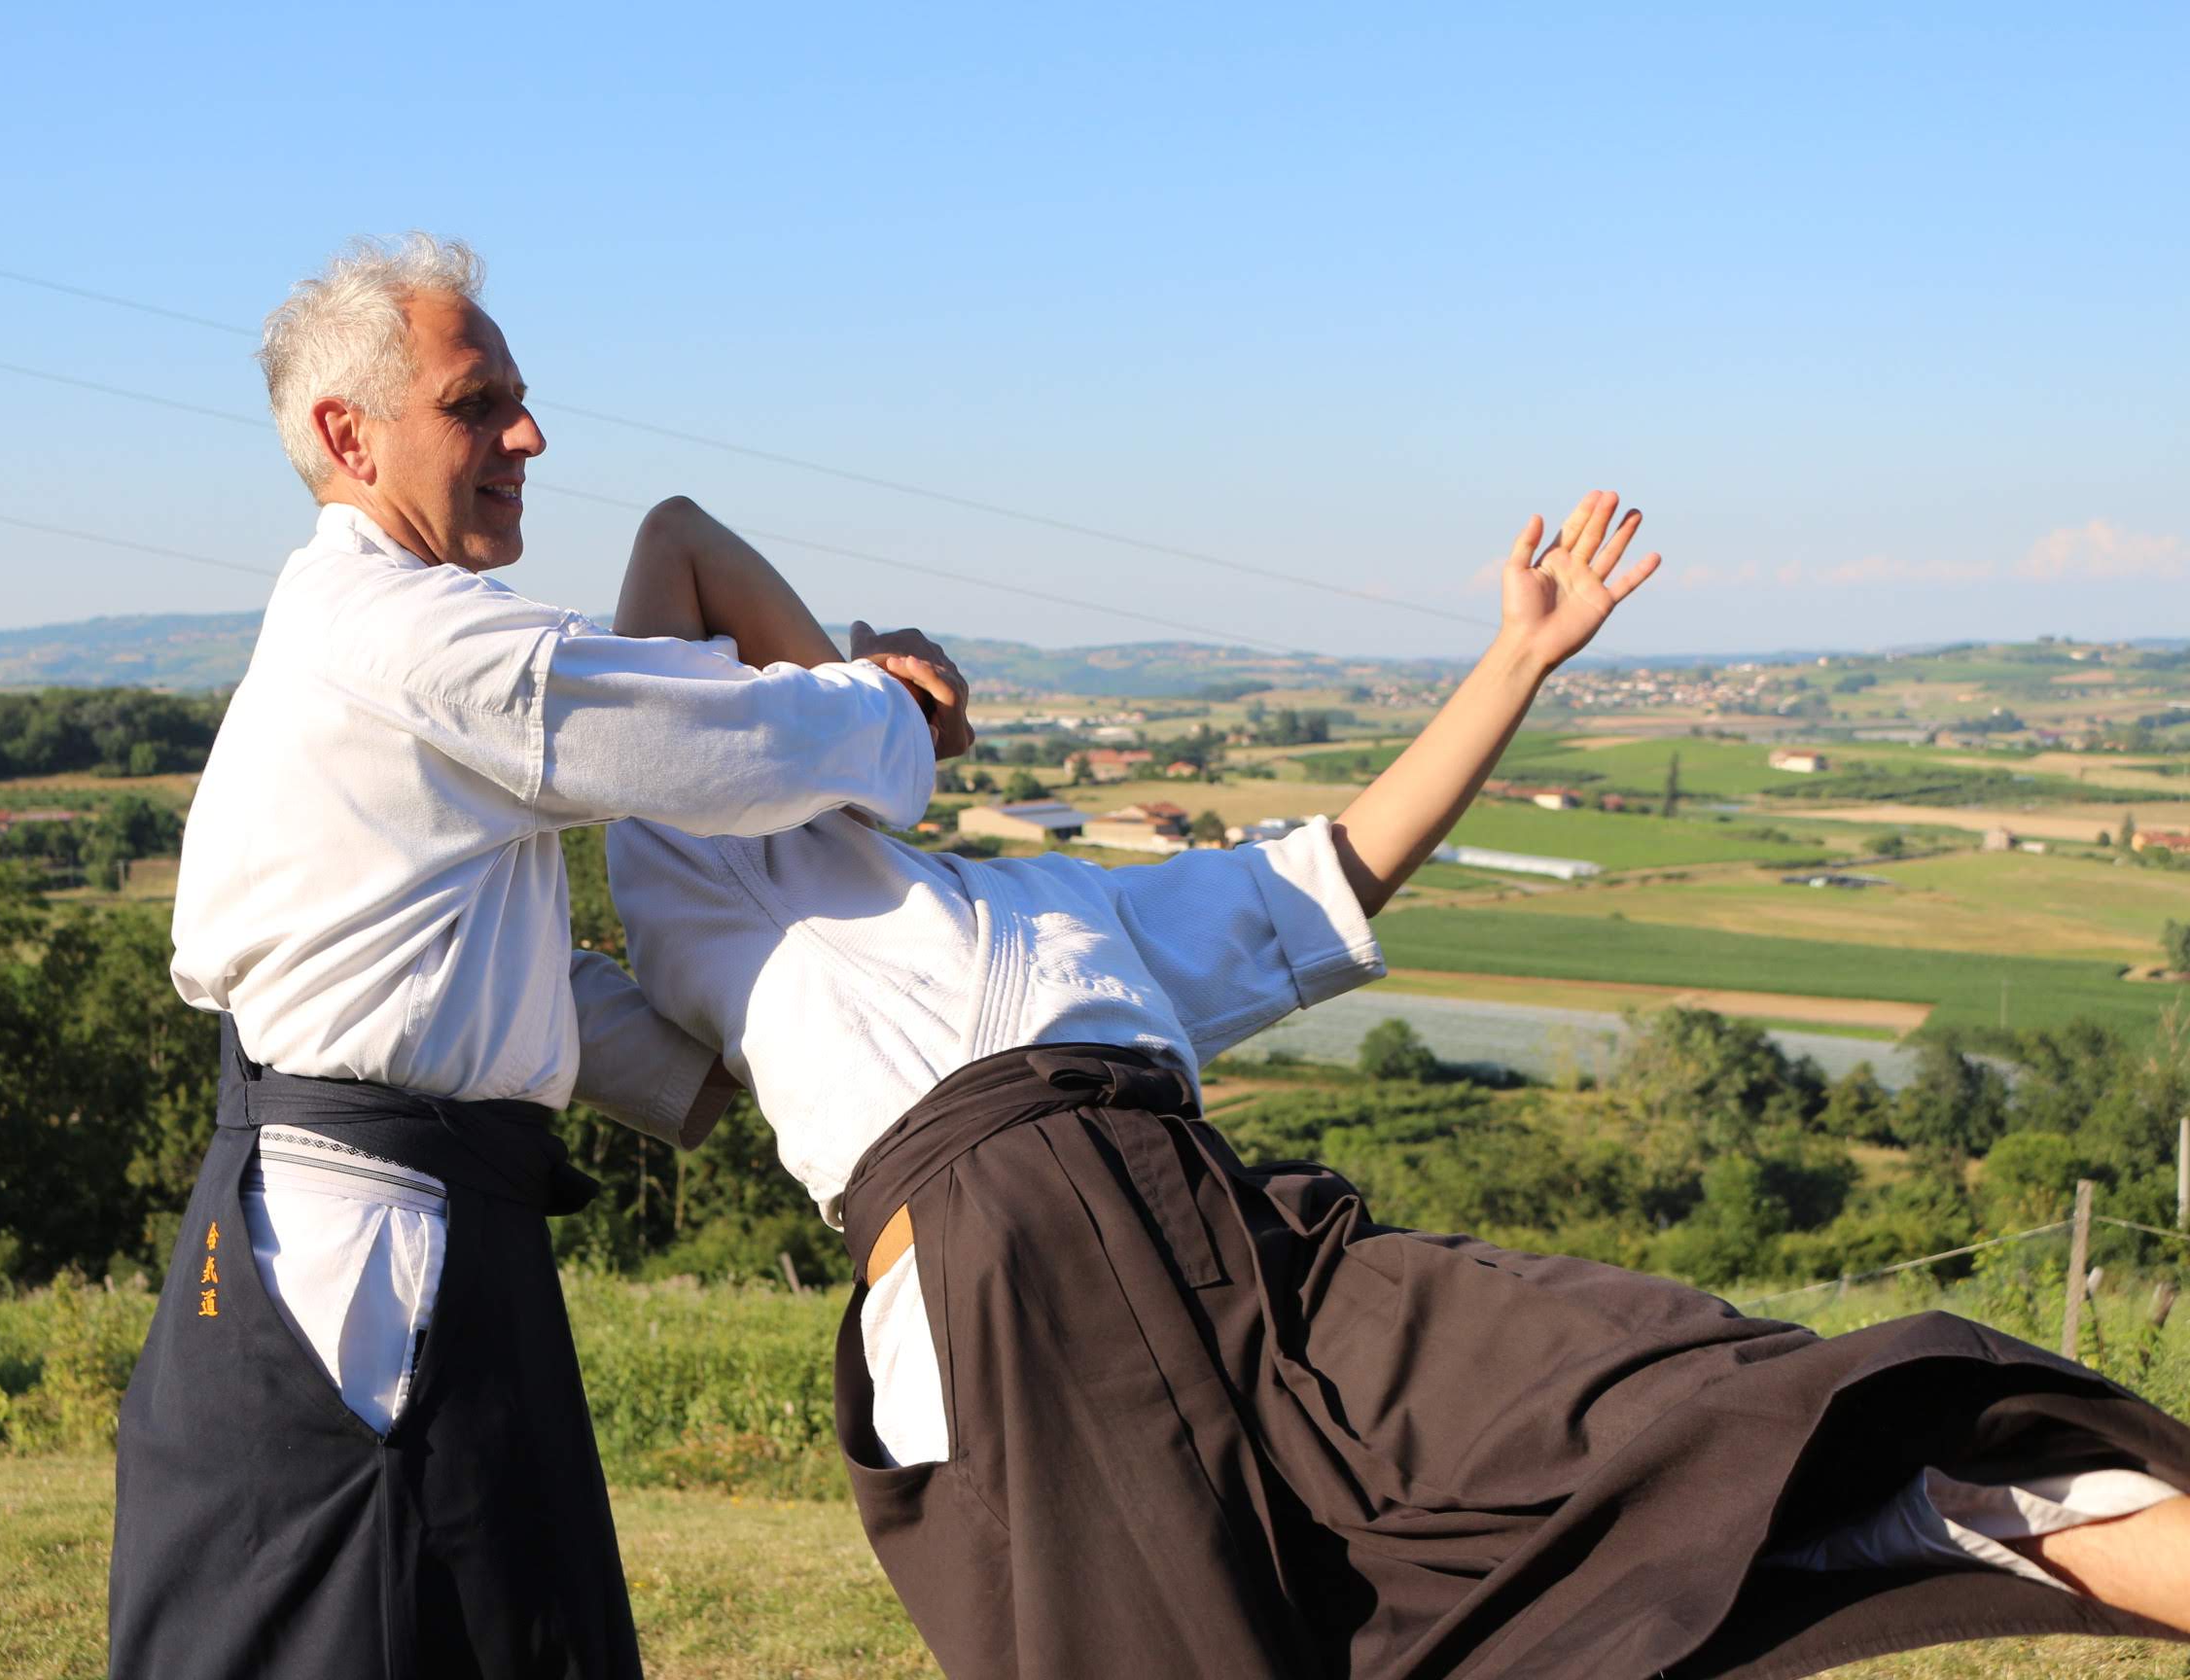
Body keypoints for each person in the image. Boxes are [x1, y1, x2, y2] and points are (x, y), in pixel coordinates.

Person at [600, 494, 2190, 1679]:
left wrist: (1519, 658)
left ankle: (2017, 1514)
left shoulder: (1070, 907)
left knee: (1755, 1413)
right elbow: (679, 542)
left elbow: (1341, 863)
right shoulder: (718, 867)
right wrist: (882, 705)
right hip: (1005, 1291)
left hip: (1268, 1269)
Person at [108, 233, 973, 1680]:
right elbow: (725, 741)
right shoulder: (417, 644)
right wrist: (893, 710)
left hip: (369, 1222)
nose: (528, 435)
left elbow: (429, 956)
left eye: (518, 397)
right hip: (377, 1264)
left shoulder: (340, 640)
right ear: (348, 436)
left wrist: (692, 1067)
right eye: (478, 403)